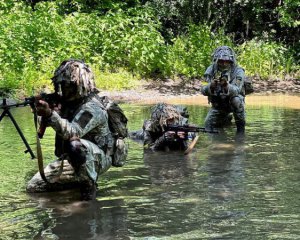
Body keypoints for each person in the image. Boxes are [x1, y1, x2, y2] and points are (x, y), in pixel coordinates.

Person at [32, 59, 116, 200]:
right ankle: (75, 184)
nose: (64, 89)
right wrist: (46, 112)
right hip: (71, 158)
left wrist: (50, 114)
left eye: (68, 85)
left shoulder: (92, 107)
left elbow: (73, 133)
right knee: (34, 187)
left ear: (78, 84)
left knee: (75, 145)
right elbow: (47, 127)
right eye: (61, 85)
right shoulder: (67, 104)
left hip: (98, 157)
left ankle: (88, 189)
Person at [201, 46, 246, 134]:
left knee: (236, 100)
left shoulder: (238, 71)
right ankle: (224, 119)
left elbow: (237, 90)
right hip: (218, 103)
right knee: (208, 126)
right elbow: (202, 90)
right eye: (221, 61)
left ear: (231, 61)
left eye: (227, 61)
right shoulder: (210, 70)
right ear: (217, 60)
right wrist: (211, 86)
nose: (224, 64)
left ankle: (240, 128)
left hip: (233, 103)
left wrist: (226, 85)